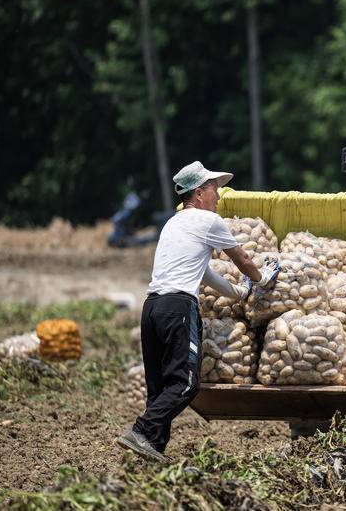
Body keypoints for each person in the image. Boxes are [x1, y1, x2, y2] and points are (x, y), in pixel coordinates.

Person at [117, 161, 278, 463]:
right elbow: (242, 257)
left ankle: (152, 448)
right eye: (215, 190)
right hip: (179, 306)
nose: (218, 197)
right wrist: (261, 278)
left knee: (160, 386)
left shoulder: (173, 224)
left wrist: (239, 292)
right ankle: (141, 431)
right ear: (200, 193)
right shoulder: (208, 221)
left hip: (152, 307)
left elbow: (203, 272)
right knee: (186, 384)